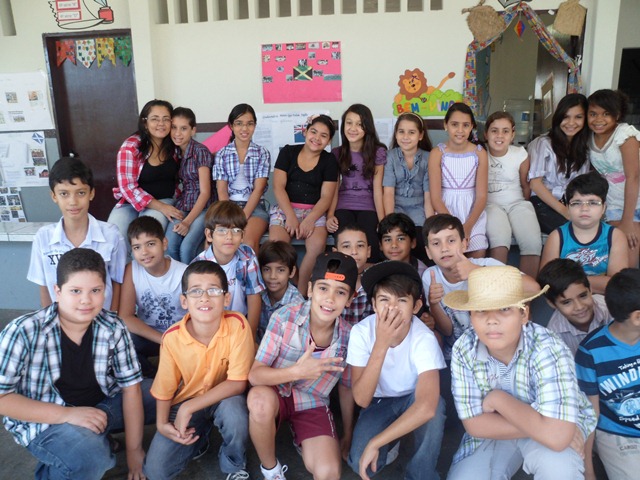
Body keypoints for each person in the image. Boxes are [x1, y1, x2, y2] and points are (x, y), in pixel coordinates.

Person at [0, 248, 155, 479]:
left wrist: (134, 451)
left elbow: (131, 388)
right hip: (47, 419)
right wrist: (66, 415)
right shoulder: (23, 331)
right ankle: (68, 458)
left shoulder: (113, 326)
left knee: (164, 394)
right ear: (57, 291)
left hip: (102, 405)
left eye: (95, 290)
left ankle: (94, 437)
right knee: (92, 457)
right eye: (75, 291)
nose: (86, 300)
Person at [444, 265, 597, 480]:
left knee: (561, 471)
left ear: (523, 313)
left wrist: (498, 399)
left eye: (504, 308)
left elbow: (557, 438)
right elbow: (474, 424)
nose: (492, 320)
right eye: (481, 310)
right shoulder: (464, 348)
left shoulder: (548, 347)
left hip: (540, 425)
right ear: (471, 316)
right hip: (503, 430)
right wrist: (547, 427)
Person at [247, 252, 358, 480]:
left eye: (340, 292)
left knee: (329, 473)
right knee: (258, 402)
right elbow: (255, 376)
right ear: (310, 289)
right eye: (323, 288)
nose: (329, 299)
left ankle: (305, 437)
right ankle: (271, 470)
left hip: (312, 402)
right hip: (274, 392)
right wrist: (296, 371)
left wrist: (348, 434)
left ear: (350, 299)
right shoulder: (285, 317)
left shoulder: (350, 337)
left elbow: (346, 387)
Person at [143, 260, 254, 480]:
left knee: (235, 414)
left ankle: (233, 463)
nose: (204, 298)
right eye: (195, 291)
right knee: (156, 471)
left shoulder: (237, 324)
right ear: (184, 301)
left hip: (225, 398)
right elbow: (165, 388)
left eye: (213, 290)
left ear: (226, 298)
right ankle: (200, 438)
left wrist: (188, 408)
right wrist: (162, 424)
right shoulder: (172, 337)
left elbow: (237, 383)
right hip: (187, 398)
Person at [347, 261, 446, 480]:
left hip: (413, 398)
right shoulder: (361, 332)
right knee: (360, 464)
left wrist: (377, 441)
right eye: (384, 300)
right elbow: (362, 399)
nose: (392, 308)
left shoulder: (424, 338)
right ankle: (394, 440)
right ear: (373, 304)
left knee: (436, 407)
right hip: (378, 402)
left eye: (401, 300)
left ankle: (421, 473)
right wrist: (382, 343)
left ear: (416, 307)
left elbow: (427, 406)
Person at [27, 157, 126, 311]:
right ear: (54, 196)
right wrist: (50, 321)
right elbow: (44, 286)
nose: (73, 202)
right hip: (62, 320)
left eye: (80, 193)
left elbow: (117, 282)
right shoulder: (43, 238)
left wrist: (111, 319)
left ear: (91, 193)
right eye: (64, 194)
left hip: (101, 318)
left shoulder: (111, 235)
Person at [576, 268, 640, 480]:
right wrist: (588, 469)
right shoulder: (590, 353)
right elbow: (590, 414)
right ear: (637, 317)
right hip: (618, 433)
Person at [269, 114, 339, 295]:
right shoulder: (288, 152)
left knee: (316, 248)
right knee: (277, 248)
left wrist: (309, 220)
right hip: (285, 208)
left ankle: (301, 295)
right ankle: (284, 293)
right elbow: (278, 187)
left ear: (329, 140)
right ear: (305, 132)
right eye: (313, 132)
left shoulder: (330, 160)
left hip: (315, 212)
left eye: (324, 135)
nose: (317, 138)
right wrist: (291, 217)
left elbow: (326, 197)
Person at [421, 214, 503, 357]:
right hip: (456, 353)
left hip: (491, 348)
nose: (444, 248)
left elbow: (533, 288)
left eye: (451, 241)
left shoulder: (486, 264)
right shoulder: (430, 276)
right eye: (436, 243)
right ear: (428, 252)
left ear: (464, 244)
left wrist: (476, 272)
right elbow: (447, 331)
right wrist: (434, 304)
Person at [118, 216, 187, 376]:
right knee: (123, 338)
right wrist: (163, 339)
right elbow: (126, 316)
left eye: (150, 244)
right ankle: (151, 374)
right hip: (150, 336)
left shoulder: (184, 272)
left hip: (181, 337)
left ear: (164, 243)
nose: (144, 252)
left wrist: (175, 340)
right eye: (137, 247)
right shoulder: (132, 270)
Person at [540, 171, 628, 294]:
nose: (584, 208)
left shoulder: (615, 236)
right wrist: (597, 282)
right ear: (567, 207)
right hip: (568, 299)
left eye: (593, 203)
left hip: (605, 298)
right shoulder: (557, 237)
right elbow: (547, 283)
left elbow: (618, 283)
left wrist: (570, 282)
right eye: (576, 203)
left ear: (603, 207)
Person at [108, 99, 183, 242]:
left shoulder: (175, 144)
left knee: (147, 235)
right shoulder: (131, 146)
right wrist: (161, 207)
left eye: (166, 119)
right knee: (114, 235)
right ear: (145, 122)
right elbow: (127, 187)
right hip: (130, 202)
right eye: (155, 119)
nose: (161, 124)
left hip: (164, 199)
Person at [193, 200, 265, 339]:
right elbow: (198, 310)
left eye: (236, 231)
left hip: (241, 323)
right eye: (222, 230)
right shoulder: (199, 266)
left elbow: (254, 296)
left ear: (243, 235)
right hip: (211, 328)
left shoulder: (247, 255)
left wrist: (249, 337)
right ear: (209, 235)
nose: (229, 237)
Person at [484, 111, 541, 277]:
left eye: (505, 131)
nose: (499, 135)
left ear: (512, 134)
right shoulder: (480, 153)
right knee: (500, 240)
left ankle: (527, 290)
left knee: (532, 242)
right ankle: (498, 288)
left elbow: (525, 185)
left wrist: (521, 207)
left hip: (517, 203)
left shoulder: (520, 154)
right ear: (486, 134)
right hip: (490, 205)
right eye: (494, 130)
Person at [327, 104, 387, 261]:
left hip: (368, 206)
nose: (353, 128)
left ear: (367, 127)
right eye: (349, 123)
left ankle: (369, 274)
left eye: (359, 124)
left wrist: (382, 220)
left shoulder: (378, 152)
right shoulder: (337, 153)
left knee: (370, 241)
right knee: (344, 240)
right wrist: (330, 215)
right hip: (343, 205)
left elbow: (378, 189)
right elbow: (334, 187)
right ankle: (345, 273)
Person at [588, 89, 640, 267]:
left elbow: (633, 177)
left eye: (606, 114)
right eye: (593, 114)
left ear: (617, 115)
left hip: (634, 203)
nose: (598, 119)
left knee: (630, 257)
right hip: (614, 203)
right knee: (618, 258)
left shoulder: (625, 135)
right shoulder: (589, 138)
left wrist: (628, 221)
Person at [429, 102, 488, 257]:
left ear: (472, 127)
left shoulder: (480, 153)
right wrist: (454, 227)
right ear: (445, 125)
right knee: (449, 254)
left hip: (472, 213)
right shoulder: (437, 153)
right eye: (454, 124)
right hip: (445, 211)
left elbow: (482, 196)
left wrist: (467, 226)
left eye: (466, 125)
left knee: (478, 252)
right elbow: (435, 197)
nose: (460, 130)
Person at [527, 93, 591, 234]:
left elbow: (580, 184)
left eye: (578, 117)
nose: (571, 123)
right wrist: (565, 211)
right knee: (572, 232)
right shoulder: (543, 143)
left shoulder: (584, 148)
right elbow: (535, 184)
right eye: (566, 116)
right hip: (542, 202)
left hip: (570, 202)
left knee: (593, 230)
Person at [214, 103, 271, 252]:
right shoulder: (222, 154)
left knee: (248, 243)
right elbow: (222, 190)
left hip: (255, 208)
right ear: (231, 126)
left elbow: (258, 190)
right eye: (239, 123)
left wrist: (241, 218)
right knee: (215, 244)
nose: (244, 129)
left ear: (255, 126)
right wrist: (229, 216)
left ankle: (251, 269)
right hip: (228, 206)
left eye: (249, 124)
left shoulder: (262, 153)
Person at [165, 107, 214, 263]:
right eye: (174, 127)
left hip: (205, 207)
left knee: (187, 248)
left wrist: (187, 222)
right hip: (184, 204)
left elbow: (205, 192)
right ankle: (178, 278)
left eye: (184, 128)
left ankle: (192, 278)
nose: (177, 133)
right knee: (170, 244)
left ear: (193, 130)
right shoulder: (175, 152)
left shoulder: (200, 151)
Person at [382, 111, 432, 264]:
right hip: (396, 209)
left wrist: (430, 225)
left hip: (419, 210)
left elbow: (428, 195)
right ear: (396, 134)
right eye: (401, 131)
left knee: (421, 240)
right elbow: (388, 192)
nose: (405, 137)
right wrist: (390, 221)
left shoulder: (428, 157)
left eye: (411, 132)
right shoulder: (390, 157)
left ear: (420, 135)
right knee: (397, 238)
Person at [537, 258, 610, 355]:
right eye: (567, 302)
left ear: (590, 289)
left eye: (583, 296)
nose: (579, 307)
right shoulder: (554, 336)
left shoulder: (610, 309)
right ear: (552, 304)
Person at [257, 240, 304, 342]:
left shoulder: (296, 304)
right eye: (267, 269)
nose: (273, 276)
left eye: (280, 270)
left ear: (292, 272)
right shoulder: (258, 295)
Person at [333, 223, 374, 326]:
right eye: (346, 246)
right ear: (335, 252)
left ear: (368, 251)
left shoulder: (376, 285)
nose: (354, 252)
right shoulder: (327, 284)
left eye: (360, 246)